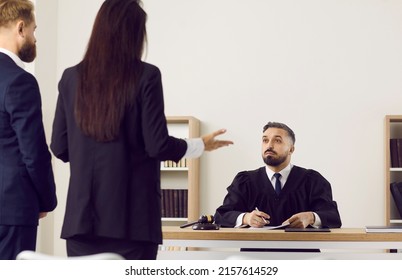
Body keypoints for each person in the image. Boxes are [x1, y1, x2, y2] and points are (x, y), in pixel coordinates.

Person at [50, 0, 233, 260]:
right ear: (134, 33)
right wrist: (199, 145)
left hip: (82, 223)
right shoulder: (146, 75)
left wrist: (88, 154)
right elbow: (157, 145)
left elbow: (59, 146)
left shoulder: (71, 78)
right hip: (132, 223)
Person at [0, 0, 57, 260]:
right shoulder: (20, 81)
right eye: (34, 30)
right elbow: (33, 152)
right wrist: (46, 200)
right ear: (20, 28)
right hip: (11, 210)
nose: (35, 38)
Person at [215, 121, 341, 231]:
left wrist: (311, 217)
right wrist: (246, 218)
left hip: (302, 255)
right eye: (265, 140)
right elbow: (221, 215)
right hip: (255, 255)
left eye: (277, 141)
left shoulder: (312, 180)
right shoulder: (245, 181)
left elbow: (333, 216)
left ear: (291, 149)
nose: (269, 145)